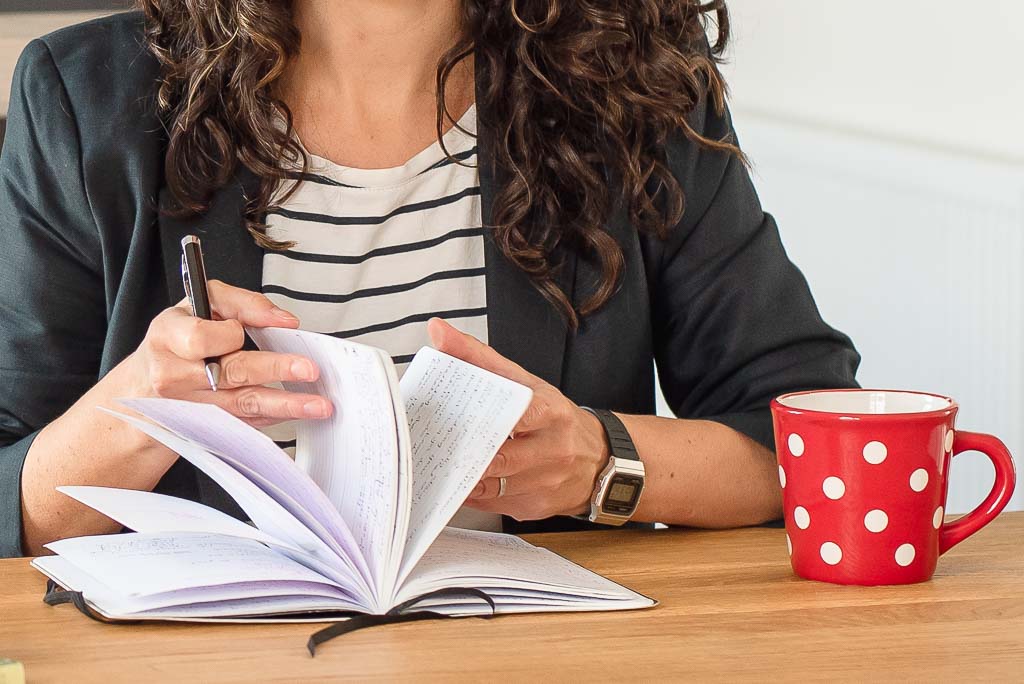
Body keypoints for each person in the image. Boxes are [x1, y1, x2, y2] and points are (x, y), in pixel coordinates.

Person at [0, 1, 859, 558]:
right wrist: (130, 416)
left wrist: (603, 465)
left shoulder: (635, 81)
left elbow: (814, 444)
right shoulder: (84, 99)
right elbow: (13, 497)